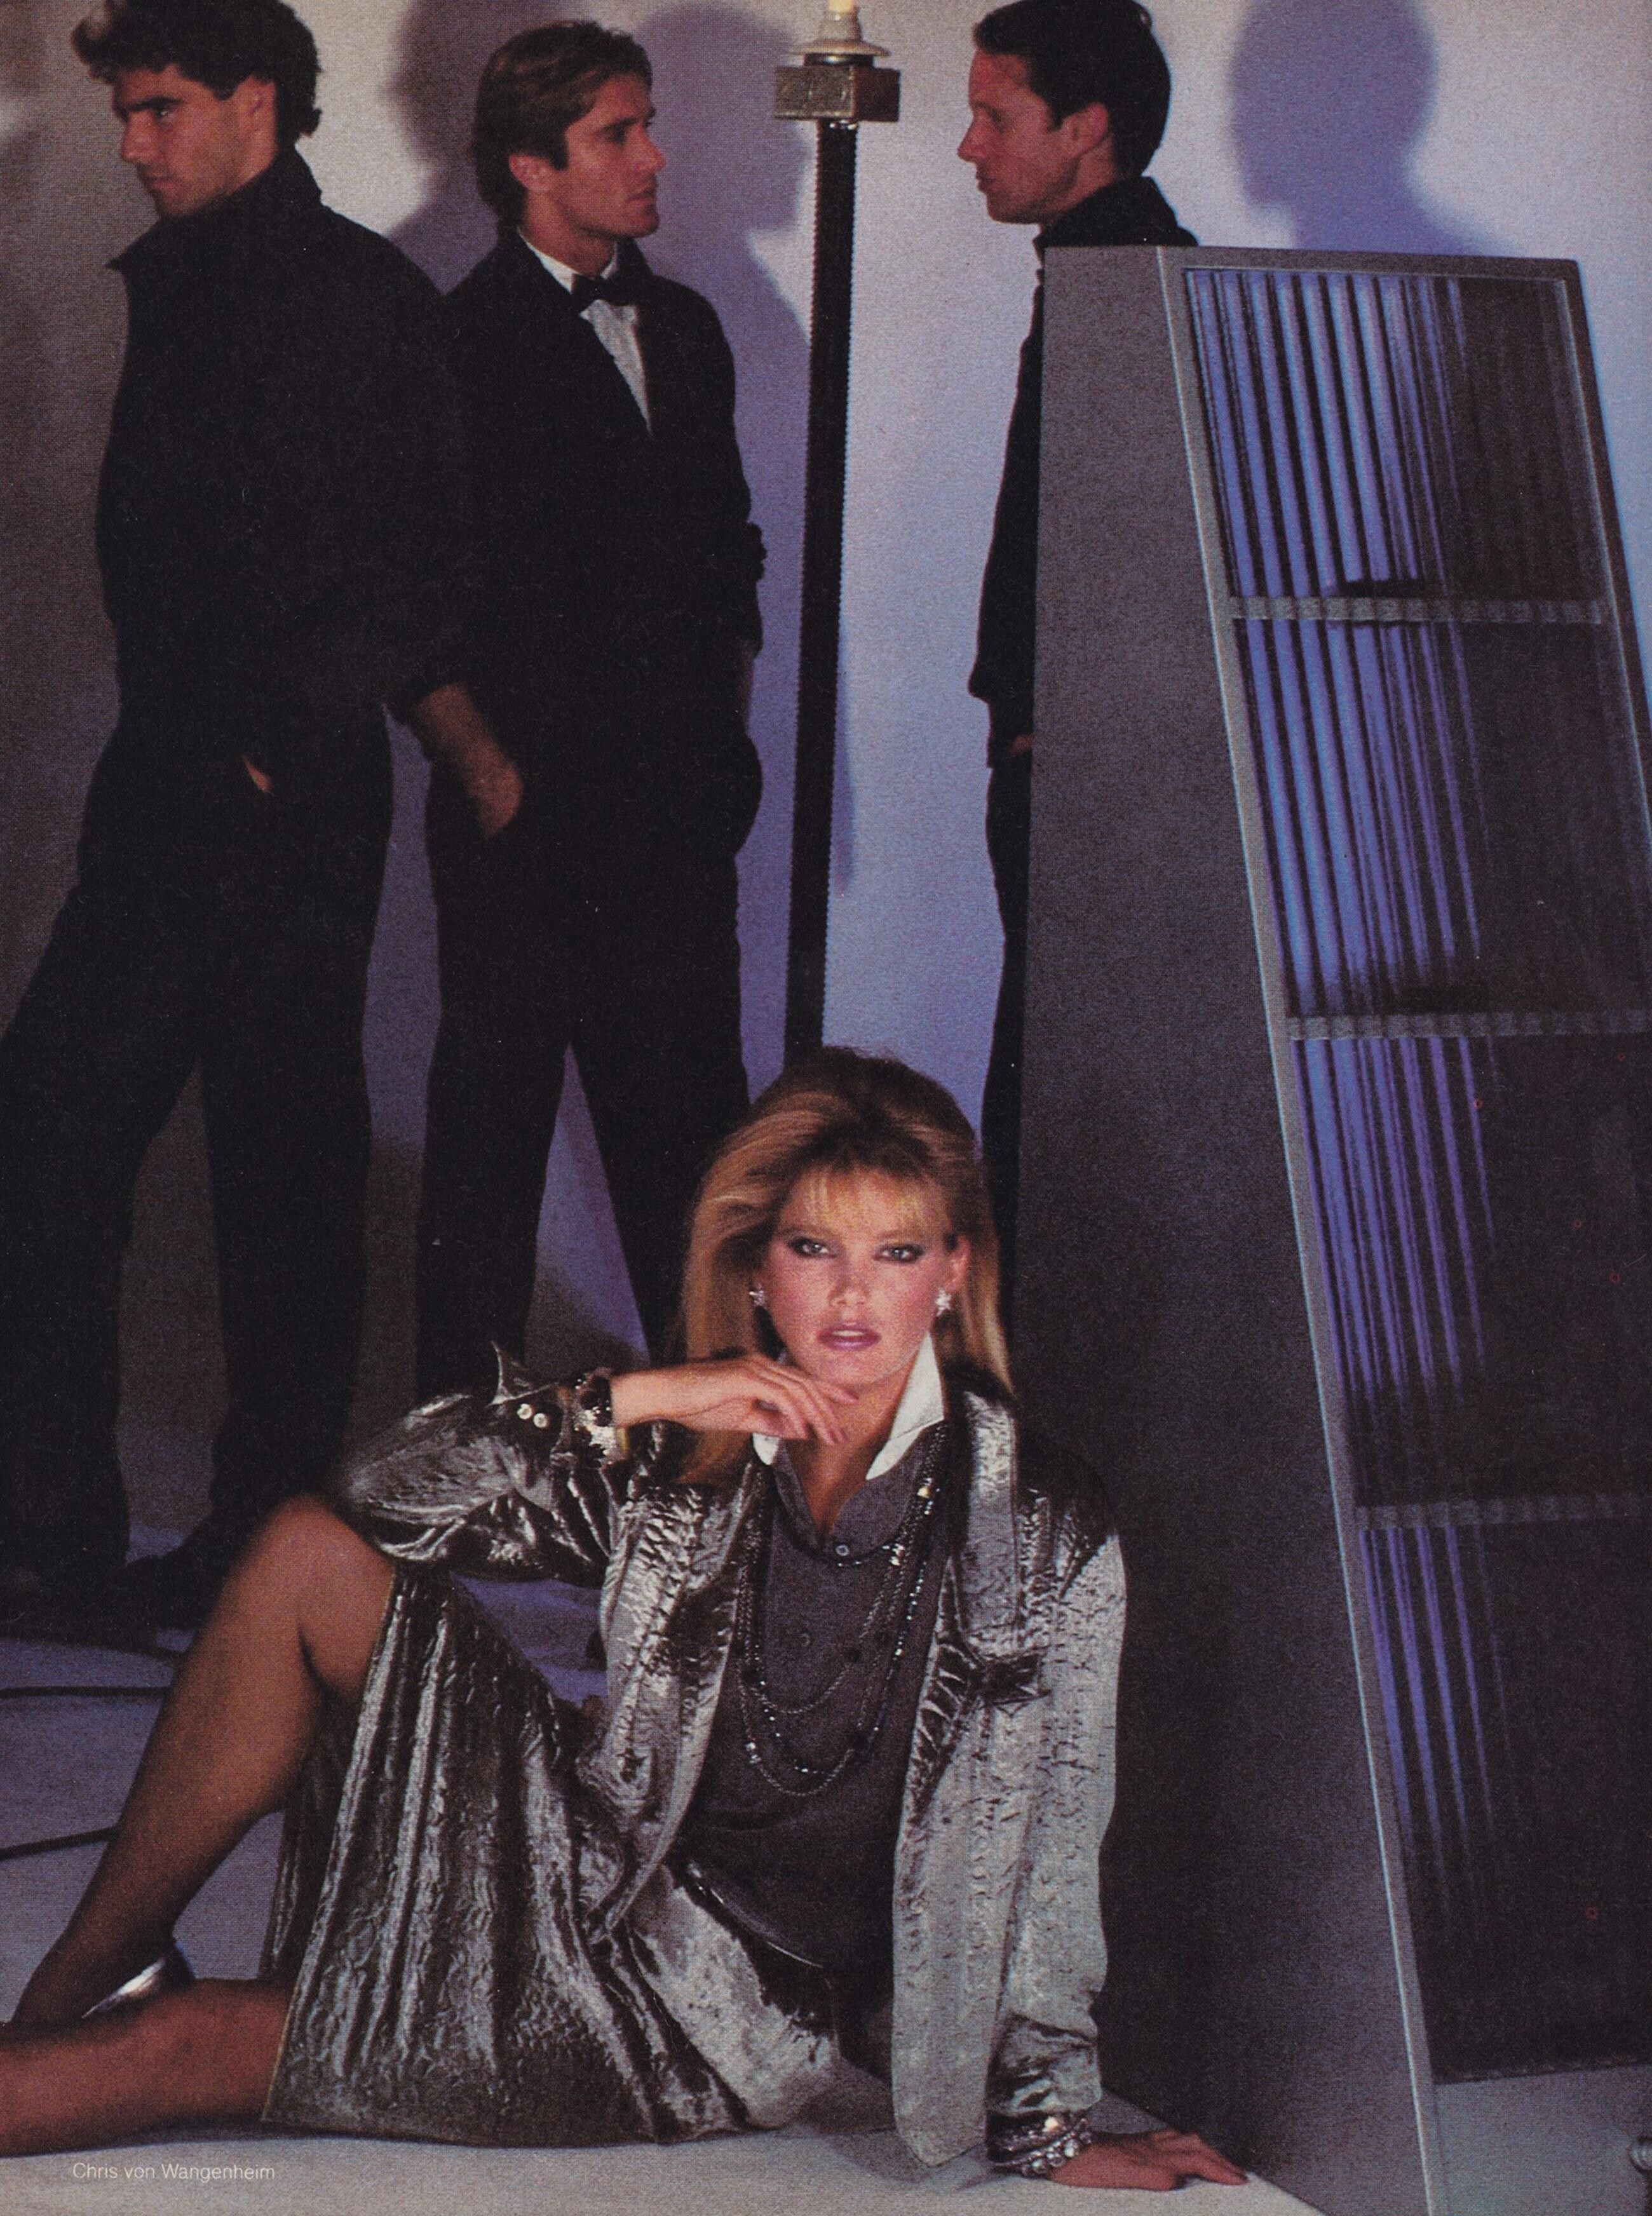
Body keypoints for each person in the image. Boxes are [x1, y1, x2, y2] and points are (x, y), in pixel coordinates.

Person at [1, 1049, 1243, 2194]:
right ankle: (76, 1983)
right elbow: (377, 1494)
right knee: (304, 1552)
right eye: (814, 1247)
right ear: (758, 1267)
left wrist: (1049, 2121)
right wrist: (638, 1396)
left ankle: (79, 2035)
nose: (854, 1295)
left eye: (899, 1252)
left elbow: (1055, 1835)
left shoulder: (1038, 1524)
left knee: (190, 2044)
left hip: (689, 2016)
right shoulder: (695, 1450)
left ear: (954, 1272)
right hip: (570, 1852)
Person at [0, 0, 479, 1637]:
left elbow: (422, 559)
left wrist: (278, 743)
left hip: (274, 798)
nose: (134, 144)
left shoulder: (354, 295)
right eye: (125, 113)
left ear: (257, 99)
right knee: (66, 1135)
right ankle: (65, 1538)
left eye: (162, 109)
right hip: (174, 783)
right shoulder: (194, 276)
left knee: (278, 1169)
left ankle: (244, 1551)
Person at [414, 23, 766, 1391]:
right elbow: (412, 593)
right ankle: (457, 1464)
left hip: (673, 820)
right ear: (529, 165)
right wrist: (492, 779)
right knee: (487, 1160)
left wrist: (722, 746)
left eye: (647, 124)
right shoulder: (454, 342)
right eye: (618, 133)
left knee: (700, 1163)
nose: (654, 156)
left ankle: (718, 1457)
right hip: (529, 824)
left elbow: (729, 557)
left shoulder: (686, 328)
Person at [959, 0, 1194, 1302]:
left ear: (1085, 127)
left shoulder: (1119, 283)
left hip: (1083, 770)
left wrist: (1046, 726)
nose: (969, 147)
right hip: (1071, 754)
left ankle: (1037, 1384)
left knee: (1057, 1104)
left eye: (995, 118)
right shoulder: (1116, 268)